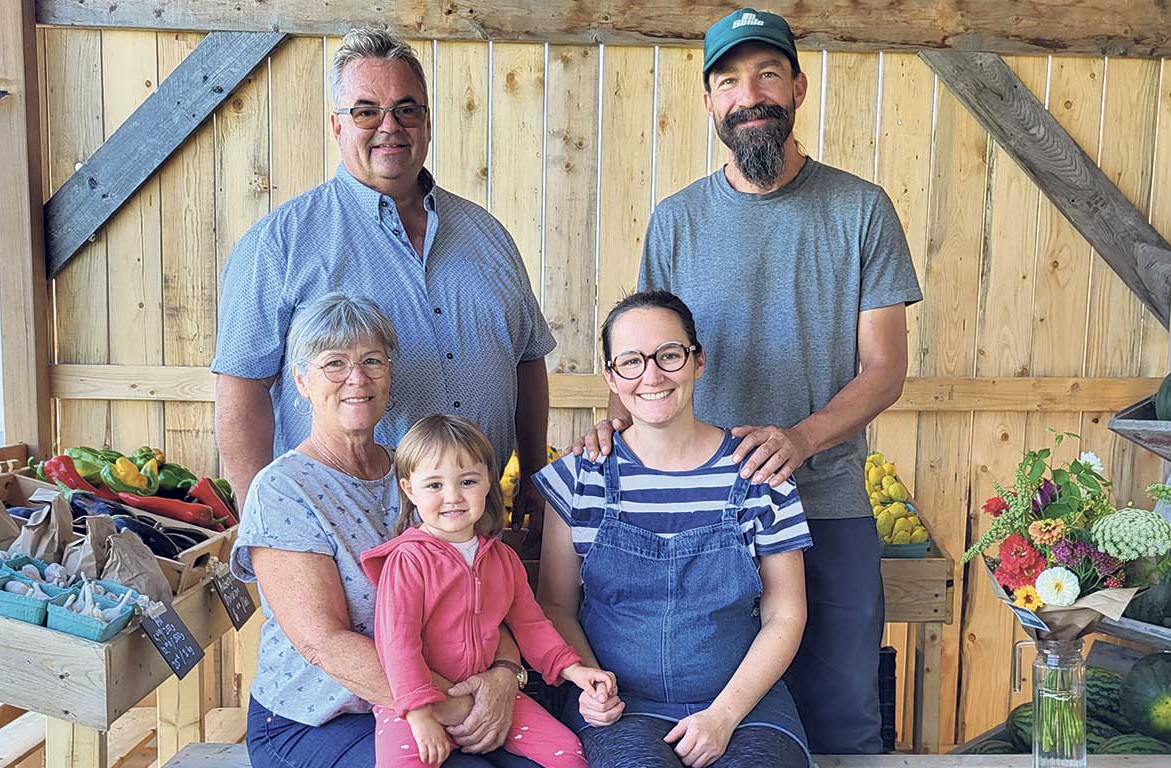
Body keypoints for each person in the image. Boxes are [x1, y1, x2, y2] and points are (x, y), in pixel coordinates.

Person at [577, 9, 922, 754]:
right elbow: (644, 349)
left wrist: (799, 439)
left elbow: (886, 368)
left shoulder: (861, 210)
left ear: (797, 87)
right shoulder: (677, 220)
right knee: (703, 724)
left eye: (768, 74)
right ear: (711, 103)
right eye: (729, 81)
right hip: (703, 518)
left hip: (826, 500)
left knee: (841, 721)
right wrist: (616, 424)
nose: (749, 94)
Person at [213, 24, 553, 532]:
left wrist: (533, 473)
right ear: (337, 127)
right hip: (348, 531)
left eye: (406, 109)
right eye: (366, 111)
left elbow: (527, 360)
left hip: (477, 523)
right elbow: (240, 393)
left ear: (428, 122)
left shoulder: (489, 235)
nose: (389, 125)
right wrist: (264, 526)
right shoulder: (278, 244)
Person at [232, 294, 542, 768]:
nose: (357, 378)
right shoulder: (283, 489)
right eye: (334, 363)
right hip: (323, 718)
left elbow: (480, 588)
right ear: (301, 380)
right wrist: (453, 707)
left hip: (441, 698)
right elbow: (323, 643)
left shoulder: (421, 474)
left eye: (372, 360)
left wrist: (504, 674)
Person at [536, 291, 814, 768]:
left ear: (697, 361)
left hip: (745, 705)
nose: (652, 375)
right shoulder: (579, 475)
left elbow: (786, 615)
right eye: (631, 361)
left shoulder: (759, 473)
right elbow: (557, 604)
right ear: (611, 376)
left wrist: (723, 715)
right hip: (621, 708)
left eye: (669, 355)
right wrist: (590, 683)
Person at [361, 415, 614, 768]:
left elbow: (532, 625)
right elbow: (397, 644)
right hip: (413, 701)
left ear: (487, 483)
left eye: (467, 481)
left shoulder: (503, 559)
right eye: (434, 485)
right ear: (408, 489)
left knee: (567, 753)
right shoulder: (408, 561)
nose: (453, 497)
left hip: (485, 692)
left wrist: (573, 669)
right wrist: (419, 715)